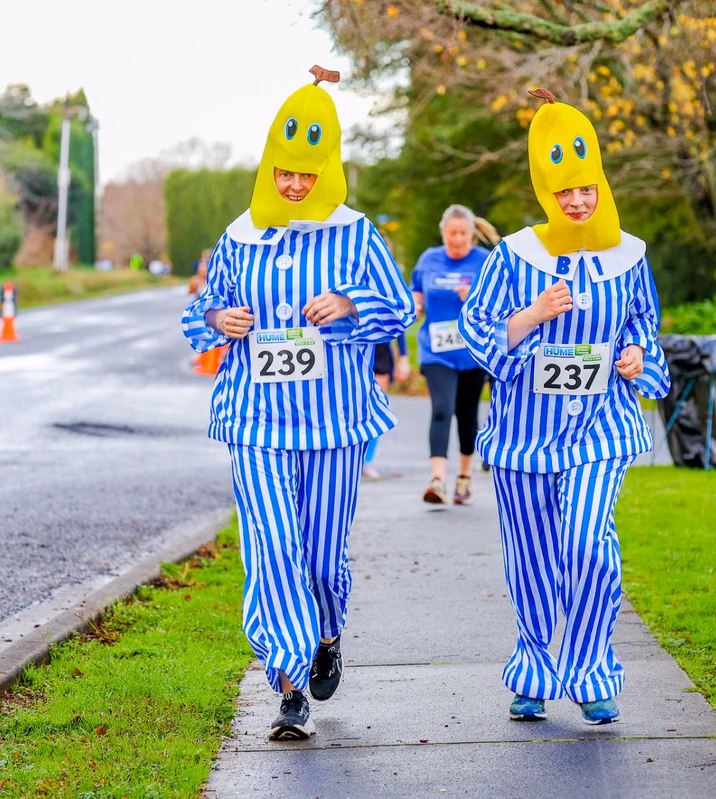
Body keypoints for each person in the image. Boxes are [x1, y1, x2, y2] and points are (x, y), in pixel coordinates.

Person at [181, 66, 415, 741]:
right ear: (268, 168)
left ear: (327, 172)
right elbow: (199, 316)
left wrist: (348, 306)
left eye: (307, 175)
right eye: (284, 172)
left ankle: (327, 632)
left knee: (317, 556)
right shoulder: (238, 238)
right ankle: (288, 686)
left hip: (335, 423)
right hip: (255, 420)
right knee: (270, 545)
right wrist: (219, 317)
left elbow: (399, 307)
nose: (294, 185)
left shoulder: (357, 235)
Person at [459, 89, 671, 726]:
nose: (577, 202)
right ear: (544, 193)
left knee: (587, 543)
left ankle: (590, 665)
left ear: (600, 186)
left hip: (599, 430)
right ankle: (533, 667)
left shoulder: (629, 256)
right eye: (563, 193)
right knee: (531, 560)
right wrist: (534, 314)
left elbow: (644, 327)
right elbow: (477, 332)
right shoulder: (514, 256)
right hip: (525, 435)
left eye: (586, 189)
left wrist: (635, 354)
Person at [410, 205, 496, 505]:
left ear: (471, 234)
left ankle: (464, 478)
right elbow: (417, 292)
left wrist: (474, 296)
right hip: (437, 351)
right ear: (443, 232)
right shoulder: (429, 259)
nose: (457, 239)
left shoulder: (485, 261)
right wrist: (415, 307)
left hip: (473, 351)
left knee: (467, 414)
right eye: (452, 234)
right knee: (442, 409)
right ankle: (437, 480)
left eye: (462, 234)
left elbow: (499, 304)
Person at [362, 333, 410, 479]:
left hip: (378, 346)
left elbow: (394, 314)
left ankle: (366, 461)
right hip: (348, 343)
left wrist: (403, 356)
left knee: (375, 407)